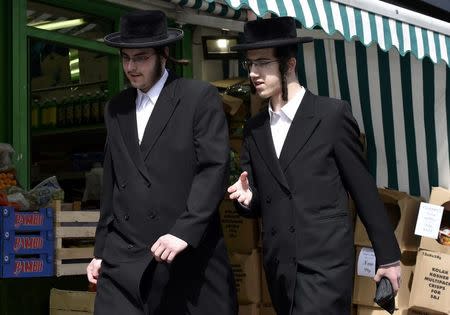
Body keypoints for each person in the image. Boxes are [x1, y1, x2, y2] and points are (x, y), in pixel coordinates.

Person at [227, 16, 401, 315]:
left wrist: (388, 258)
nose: (254, 72)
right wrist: (247, 198)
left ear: (290, 64)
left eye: (263, 62)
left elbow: (363, 190)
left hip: (325, 267)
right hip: (280, 266)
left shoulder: (330, 115)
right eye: (250, 64)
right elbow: (257, 201)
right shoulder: (255, 129)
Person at [87, 10, 237, 315]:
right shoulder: (116, 108)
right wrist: (100, 252)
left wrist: (184, 230)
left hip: (184, 255)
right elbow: (113, 183)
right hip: (123, 259)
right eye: (125, 57)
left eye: (140, 57)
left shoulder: (198, 97)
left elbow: (214, 168)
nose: (131, 66)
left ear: (163, 55)